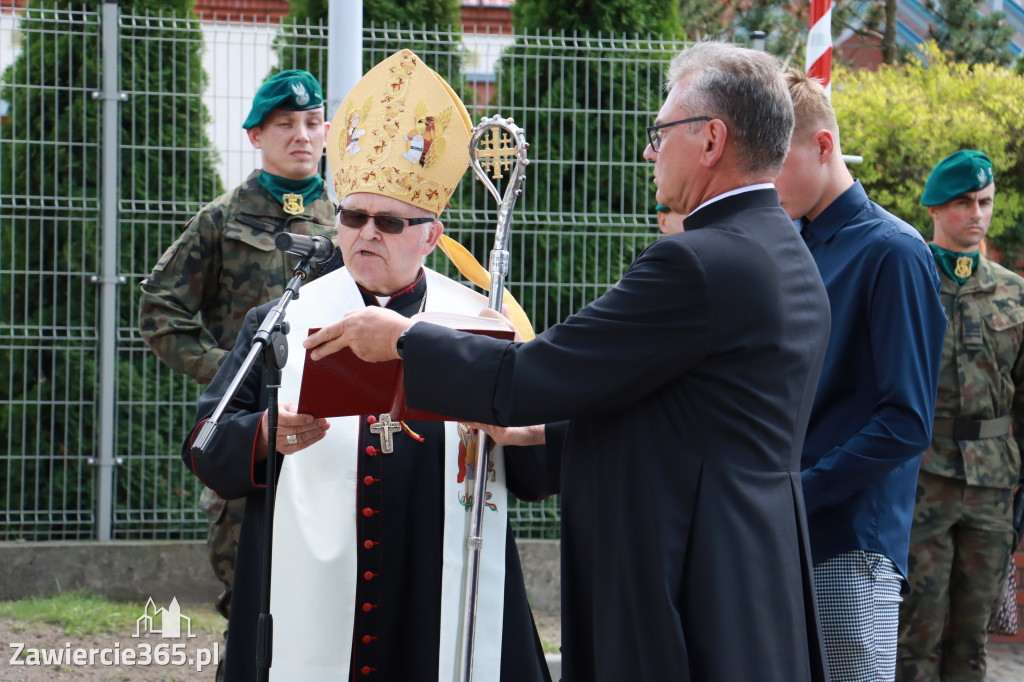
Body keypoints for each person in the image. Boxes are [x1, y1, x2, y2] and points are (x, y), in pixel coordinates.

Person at [309, 41, 832, 682]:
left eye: (660, 131)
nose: (649, 150)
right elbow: (678, 411)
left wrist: (401, 340)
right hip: (751, 565)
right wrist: (550, 435)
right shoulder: (785, 251)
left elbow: (532, 375)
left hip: (684, 577)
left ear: (711, 140)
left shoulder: (695, 263)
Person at [182, 50, 552, 682]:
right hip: (310, 582)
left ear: (431, 235)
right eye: (353, 216)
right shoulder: (282, 320)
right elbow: (206, 443)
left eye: (389, 221)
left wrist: (509, 431)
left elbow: (536, 469)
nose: (366, 234)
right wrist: (266, 434)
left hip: (438, 582)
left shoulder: (485, 321)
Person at [138, 69, 335, 678]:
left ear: (326, 130)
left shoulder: (352, 220)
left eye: (311, 123)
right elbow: (160, 310)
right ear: (256, 135)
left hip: (333, 434)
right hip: (248, 440)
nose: (301, 135)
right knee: (251, 608)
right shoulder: (221, 220)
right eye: (285, 125)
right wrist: (230, 373)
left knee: (334, 598)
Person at [773, 70, 947, 682]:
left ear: (824, 147)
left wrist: (800, 491)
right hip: (785, 531)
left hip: (850, 544)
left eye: (778, 159)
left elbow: (906, 422)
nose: (766, 179)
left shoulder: (894, 251)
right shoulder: (796, 242)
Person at [896, 150, 1024, 682]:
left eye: (985, 202)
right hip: (922, 478)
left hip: (992, 486)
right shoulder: (908, 279)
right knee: (916, 635)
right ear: (934, 210)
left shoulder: (1014, 293)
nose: (977, 213)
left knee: (972, 641)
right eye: (963, 203)